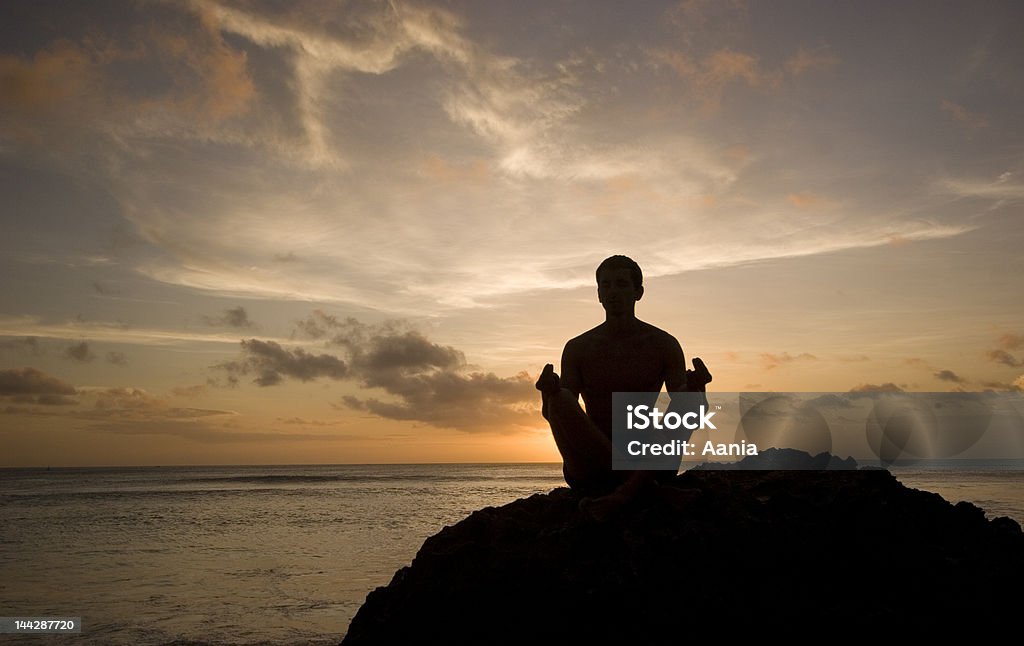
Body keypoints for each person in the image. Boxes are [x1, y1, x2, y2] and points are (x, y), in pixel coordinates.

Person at [536, 255, 711, 519]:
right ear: (598, 295)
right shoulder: (578, 348)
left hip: (649, 458)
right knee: (560, 399)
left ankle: (626, 492)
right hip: (591, 465)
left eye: (620, 284)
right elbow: (557, 415)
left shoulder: (663, 344)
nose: (612, 292)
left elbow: (693, 411)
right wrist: (546, 394)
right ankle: (648, 491)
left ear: (638, 292)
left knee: (689, 398)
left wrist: (699, 389)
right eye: (605, 286)